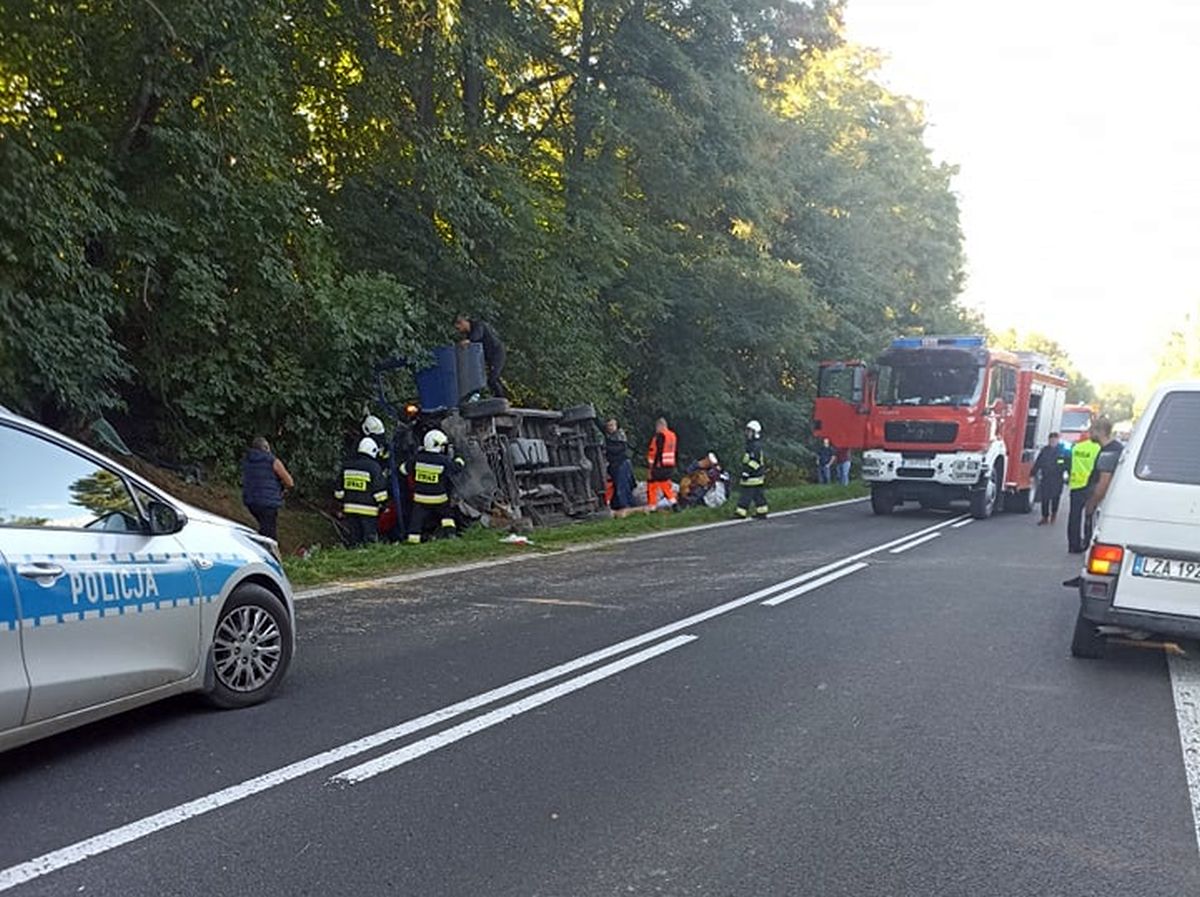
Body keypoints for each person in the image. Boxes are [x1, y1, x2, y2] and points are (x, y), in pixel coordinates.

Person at [402, 429, 465, 543]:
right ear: (436, 445)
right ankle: (450, 536)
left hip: (420, 498)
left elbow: (403, 470)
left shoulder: (417, 458)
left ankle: (412, 541)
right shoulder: (443, 460)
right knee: (447, 517)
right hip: (439, 498)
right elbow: (456, 468)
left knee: (416, 521)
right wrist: (459, 458)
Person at [334, 437, 389, 547]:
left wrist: (342, 501)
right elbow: (380, 492)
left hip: (349, 508)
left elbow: (338, 491)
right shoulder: (374, 467)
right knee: (369, 538)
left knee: (354, 537)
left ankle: (353, 554)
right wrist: (383, 505)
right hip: (368, 510)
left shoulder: (347, 465)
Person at [241, 437, 293, 540]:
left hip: (251, 501)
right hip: (268, 502)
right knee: (269, 535)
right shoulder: (272, 461)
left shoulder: (247, 461)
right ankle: (267, 554)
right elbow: (290, 482)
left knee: (264, 527)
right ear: (266, 448)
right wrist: (283, 490)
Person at [1084, 417, 1124, 539]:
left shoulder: (1109, 452)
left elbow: (1104, 482)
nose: (1089, 433)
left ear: (1100, 432)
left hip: (1102, 503)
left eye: (1091, 431)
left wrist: (1092, 503)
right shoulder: (1115, 448)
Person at [1066, 426, 1102, 553]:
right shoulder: (1099, 449)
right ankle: (1087, 543)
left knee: (1074, 516)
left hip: (1076, 485)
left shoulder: (1076, 447)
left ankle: (1073, 544)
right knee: (1089, 515)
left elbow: (1069, 464)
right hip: (1090, 485)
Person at [454, 314, 507, 399]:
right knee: (492, 379)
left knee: (493, 378)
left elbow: (478, 336)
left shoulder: (478, 325)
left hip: (497, 353)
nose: (459, 331)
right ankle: (500, 397)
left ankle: (502, 399)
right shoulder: (469, 333)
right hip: (489, 356)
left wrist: (469, 341)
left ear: (463, 322)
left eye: (458, 328)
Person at [1031, 432, 1069, 525]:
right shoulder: (1045, 450)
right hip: (1046, 477)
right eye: (1051, 439)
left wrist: (1069, 476)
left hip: (1057, 478)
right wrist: (1033, 473)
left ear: (1058, 440)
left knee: (1055, 497)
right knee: (1045, 498)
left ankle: (1054, 514)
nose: (1052, 441)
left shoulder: (1063, 451)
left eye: (1054, 439)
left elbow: (1068, 464)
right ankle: (1045, 517)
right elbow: (1038, 462)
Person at [603, 418, 636, 516]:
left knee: (623, 487)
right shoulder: (608, 435)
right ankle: (621, 506)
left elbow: (619, 450)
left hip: (622, 464)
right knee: (618, 487)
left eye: (612, 425)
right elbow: (600, 426)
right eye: (609, 425)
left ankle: (627, 508)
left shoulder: (620, 436)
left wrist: (605, 448)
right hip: (614, 466)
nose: (610, 428)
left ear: (617, 426)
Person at [736, 420, 768, 519]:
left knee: (746, 495)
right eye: (747, 431)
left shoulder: (755, 446)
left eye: (750, 431)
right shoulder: (752, 445)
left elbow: (755, 462)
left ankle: (741, 513)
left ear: (755, 433)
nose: (747, 433)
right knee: (758, 495)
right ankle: (762, 512)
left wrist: (746, 472)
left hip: (753, 476)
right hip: (757, 476)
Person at [645, 417, 678, 508]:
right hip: (670, 465)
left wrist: (651, 467)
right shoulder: (672, 436)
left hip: (659, 465)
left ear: (660, 426)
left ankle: (652, 506)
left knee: (652, 484)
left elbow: (654, 453)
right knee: (663, 483)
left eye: (656, 428)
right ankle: (673, 503)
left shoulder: (659, 436)